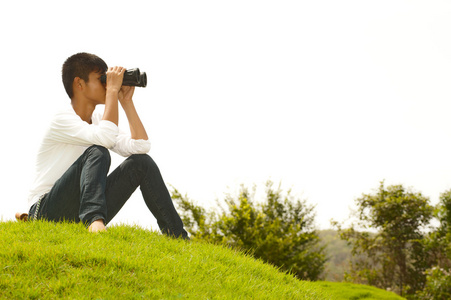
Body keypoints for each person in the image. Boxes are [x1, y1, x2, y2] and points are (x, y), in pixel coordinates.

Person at [24, 52, 188, 238]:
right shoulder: (62, 119)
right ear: (79, 84)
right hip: (46, 211)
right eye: (101, 79)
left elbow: (141, 147)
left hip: (77, 211)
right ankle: (94, 220)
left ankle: (177, 236)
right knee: (98, 151)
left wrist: (126, 102)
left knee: (142, 163)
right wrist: (112, 91)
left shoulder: (99, 121)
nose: (107, 84)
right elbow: (105, 139)